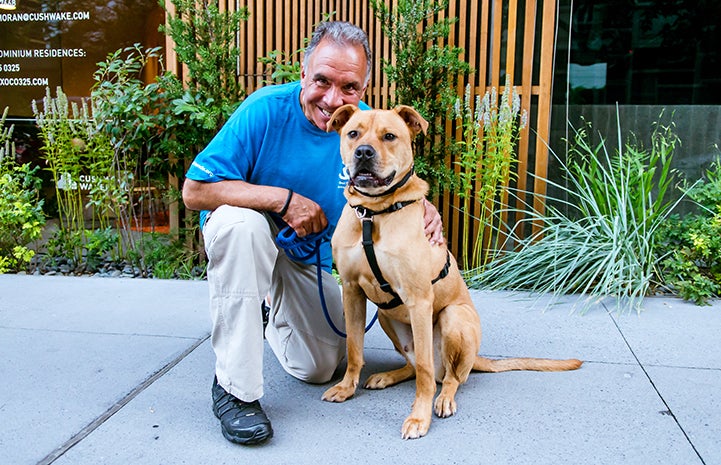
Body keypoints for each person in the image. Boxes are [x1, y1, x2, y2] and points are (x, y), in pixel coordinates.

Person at [182, 21, 444, 446]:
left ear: (362, 89)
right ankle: (235, 390)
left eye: (349, 87)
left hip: (304, 258)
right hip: (252, 237)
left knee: (319, 368)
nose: (332, 98)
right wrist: (282, 200)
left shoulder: (364, 125)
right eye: (322, 80)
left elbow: (391, 176)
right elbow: (195, 191)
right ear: (303, 74)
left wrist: (421, 210)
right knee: (242, 226)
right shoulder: (263, 110)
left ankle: (264, 311)